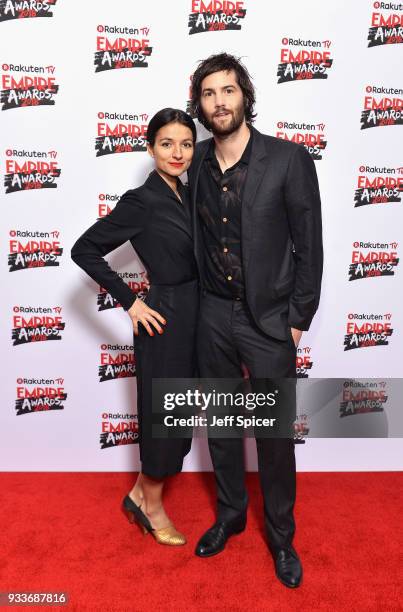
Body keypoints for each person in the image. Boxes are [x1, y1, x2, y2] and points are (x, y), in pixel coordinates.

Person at [188, 53, 323, 586]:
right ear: (198, 104)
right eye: (208, 93)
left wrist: (298, 317)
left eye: (228, 90)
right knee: (221, 427)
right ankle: (230, 517)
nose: (219, 101)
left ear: (245, 94)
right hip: (212, 314)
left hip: (268, 320)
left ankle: (283, 538)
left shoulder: (289, 160)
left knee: (273, 437)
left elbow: (309, 244)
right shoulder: (194, 160)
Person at [71, 108, 198, 546]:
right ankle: (152, 503)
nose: (177, 152)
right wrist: (130, 301)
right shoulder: (141, 201)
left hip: (197, 316)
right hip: (163, 318)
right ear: (150, 148)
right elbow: (84, 249)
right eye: (167, 143)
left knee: (182, 413)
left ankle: (139, 493)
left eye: (185, 144)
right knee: (164, 415)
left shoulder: (190, 192)